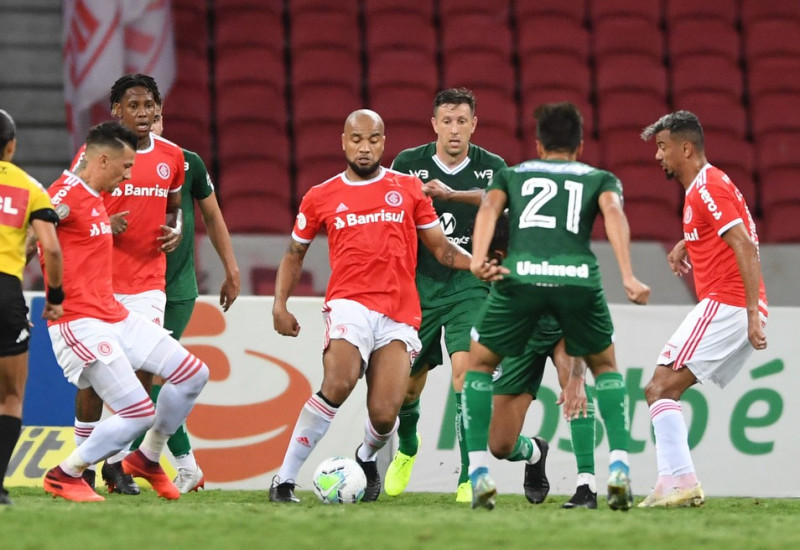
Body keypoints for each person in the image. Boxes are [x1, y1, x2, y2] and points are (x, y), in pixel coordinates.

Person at [269, 109, 506, 503]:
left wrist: (476, 264)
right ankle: (284, 479)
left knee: (384, 415)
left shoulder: (408, 189)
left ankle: (366, 457)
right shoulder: (321, 195)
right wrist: (280, 304)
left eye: (373, 139)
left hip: (399, 312)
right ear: (343, 142)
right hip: (349, 304)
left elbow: (441, 249)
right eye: (356, 139)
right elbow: (295, 253)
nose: (364, 147)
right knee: (339, 381)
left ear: (384, 143)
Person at [463, 102, 651, 511]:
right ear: (580, 146)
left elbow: (489, 207)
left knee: (478, 365)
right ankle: (617, 466)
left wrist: (477, 258)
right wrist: (628, 274)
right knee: (604, 369)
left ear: (538, 144)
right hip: (575, 281)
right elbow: (614, 213)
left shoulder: (511, 174)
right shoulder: (600, 178)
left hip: (522, 282)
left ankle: (482, 475)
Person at [39, 121, 209, 502]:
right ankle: (66, 473)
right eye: (126, 167)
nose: (129, 175)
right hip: (78, 321)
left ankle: (147, 457)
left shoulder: (95, 196)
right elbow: (36, 230)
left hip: (113, 314)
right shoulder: (65, 194)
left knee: (194, 374)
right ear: (102, 161)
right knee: (138, 412)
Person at [638, 111, 767, 508]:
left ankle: (681, 481)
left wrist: (751, 315)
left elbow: (744, 244)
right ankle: (671, 482)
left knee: (659, 387)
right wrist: (687, 243)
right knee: (662, 389)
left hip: (728, 302)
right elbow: (726, 230)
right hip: (731, 303)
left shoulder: (707, 187)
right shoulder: (707, 186)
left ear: (686, 148)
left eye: (663, 147)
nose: (658, 156)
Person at [385, 88, 508, 503]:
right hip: (418, 285)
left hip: (469, 284)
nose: (454, 130)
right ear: (434, 124)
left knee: (465, 376)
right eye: (447, 121)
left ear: (474, 125)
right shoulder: (408, 164)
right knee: (406, 390)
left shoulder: (493, 168)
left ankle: (469, 474)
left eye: (462, 121)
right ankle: (408, 446)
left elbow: (504, 206)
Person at [70, 73, 186, 495]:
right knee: (92, 378)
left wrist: (176, 228)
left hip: (147, 283)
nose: (142, 112)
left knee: (141, 376)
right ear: (116, 110)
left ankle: (115, 466)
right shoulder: (95, 153)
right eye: (132, 105)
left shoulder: (173, 156)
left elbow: (175, 206)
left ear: (158, 108)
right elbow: (69, 206)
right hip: (97, 283)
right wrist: (104, 221)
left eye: (148, 104)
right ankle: (80, 466)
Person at [125, 102, 241, 493]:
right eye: (144, 114)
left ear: (163, 119)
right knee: (135, 378)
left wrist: (231, 269)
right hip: (130, 286)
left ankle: (166, 465)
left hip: (175, 289)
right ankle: (148, 463)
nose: (151, 123)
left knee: (154, 376)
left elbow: (213, 215)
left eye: (156, 116)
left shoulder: (185, 162)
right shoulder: (119, 159)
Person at [0, 109, 63, 505]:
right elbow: (51, 249)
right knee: (9, 396)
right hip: (6, 292)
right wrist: (55, 299)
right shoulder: (30, 187)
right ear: (11, 146)